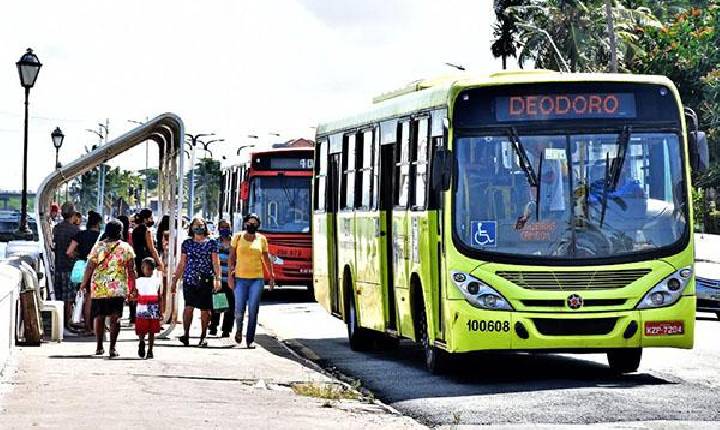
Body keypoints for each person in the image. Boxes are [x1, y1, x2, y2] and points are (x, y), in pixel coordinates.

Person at [80, 220, 136, 358]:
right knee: (115, 318)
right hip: (117, 288)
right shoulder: (126, 247)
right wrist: (133, 287)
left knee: (99, 317)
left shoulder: (98, 247)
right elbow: (131, 269)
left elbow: (89, 267)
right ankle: (113, 347)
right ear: (120, 231)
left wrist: (83, 283)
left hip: (99, 287)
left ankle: (99, 346)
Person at [172, 217, 221, 347]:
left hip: (206, 279)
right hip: (189, 279)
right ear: (191, 228)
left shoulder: (212, 243)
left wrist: (218, 279)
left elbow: (215, 263)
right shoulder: (187, 244)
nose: (199, 228)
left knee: (205, 310)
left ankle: (203, 337)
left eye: (201, 225)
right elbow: (182, 263)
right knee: (188, 308)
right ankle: (186, 334)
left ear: (205, 227)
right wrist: (175, 279)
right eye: (196, 225)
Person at [229, 213, 275, 348]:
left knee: (253, 310)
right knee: (238, 310)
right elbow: (231, 257)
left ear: (258, 225)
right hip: (240, 279)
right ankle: (238, 330)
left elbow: (266, 258)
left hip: (257, 279)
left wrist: (271, 276)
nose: (251, 225)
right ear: (245, 223)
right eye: (249, 222)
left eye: (254, 223)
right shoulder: (237, 237)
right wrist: (231, 275)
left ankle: (250, 339)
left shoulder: (262, 239)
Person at [66, 210, 102, 334]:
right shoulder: (101, 236)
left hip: (84, 268)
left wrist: (79, 256)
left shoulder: (81, 234)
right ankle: (97, 326)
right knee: (98, 298)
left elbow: (69, 252)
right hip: (99, 268)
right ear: (98, 223)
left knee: (87, 297)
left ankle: (88, 327)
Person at [130, 209, 163, 324]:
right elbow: (151, 248)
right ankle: (148, 314)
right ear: (146, 218)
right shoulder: (147, 230)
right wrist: (159, 262)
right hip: (147, 261)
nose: (152, 220)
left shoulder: (134, 230)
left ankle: (134, 315)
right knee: (149, 288)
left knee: (139, 287)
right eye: (151, 217)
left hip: (138, 260)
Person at [52, 202, 80, 336]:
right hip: (70, 267)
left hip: (58, 265)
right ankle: (67, 324)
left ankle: (60, 322)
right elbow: (73, 250)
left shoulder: (57, 228)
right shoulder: (75, 230)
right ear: (73, 214)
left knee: (59, 296)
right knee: (69, 298)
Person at [131, 257, 162, 359]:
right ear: (142, 268)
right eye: (147, 268)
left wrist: (160, 310)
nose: (149, 271)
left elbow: (159, 296)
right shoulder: (141, 281)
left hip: (148, 307)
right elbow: (135, 293)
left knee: (150, 330)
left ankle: (149, 349)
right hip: (147, 307)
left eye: (150, 268)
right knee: (144, 329)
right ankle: (143, 343)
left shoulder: (153, 281)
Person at [209, 220, 235, 337]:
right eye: (223, 227)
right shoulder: (214, 242)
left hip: (231, 278)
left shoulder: (235, 242)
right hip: (218, 278)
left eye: (227, 227)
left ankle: (226, 329)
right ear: (219, 229)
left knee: (231, 306)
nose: (225, 229)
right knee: (218, 303)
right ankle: (213, 326)